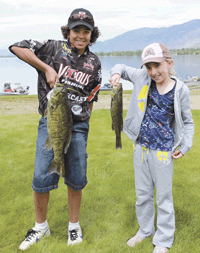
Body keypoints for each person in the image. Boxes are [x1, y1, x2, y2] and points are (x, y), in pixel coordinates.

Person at [9, 8, 102, 250]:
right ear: (68, 31)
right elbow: (17, 47)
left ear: (92, 35)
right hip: (50, 123)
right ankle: (41, 227)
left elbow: (93, 96)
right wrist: (46, 68)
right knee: (41, 176)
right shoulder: (51, 48)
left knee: (76, 178)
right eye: (76, 30)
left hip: (79, 126)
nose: (81, 35)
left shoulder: (95, 62)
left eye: (86, 31)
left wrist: (86, 125)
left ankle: (74, 226)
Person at [109, 43, 194, 253]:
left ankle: (163, 240)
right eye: (148, 67)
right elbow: (120, 66)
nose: (154, 72)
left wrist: (185, 145)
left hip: (164, 151)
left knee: (164, 197)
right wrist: (116, 74)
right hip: (141, 148)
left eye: (157, 65)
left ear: (169, 63)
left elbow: (188, 122)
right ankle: (145, 230)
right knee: (142, 195)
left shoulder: (180, 89)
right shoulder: (142, 77)